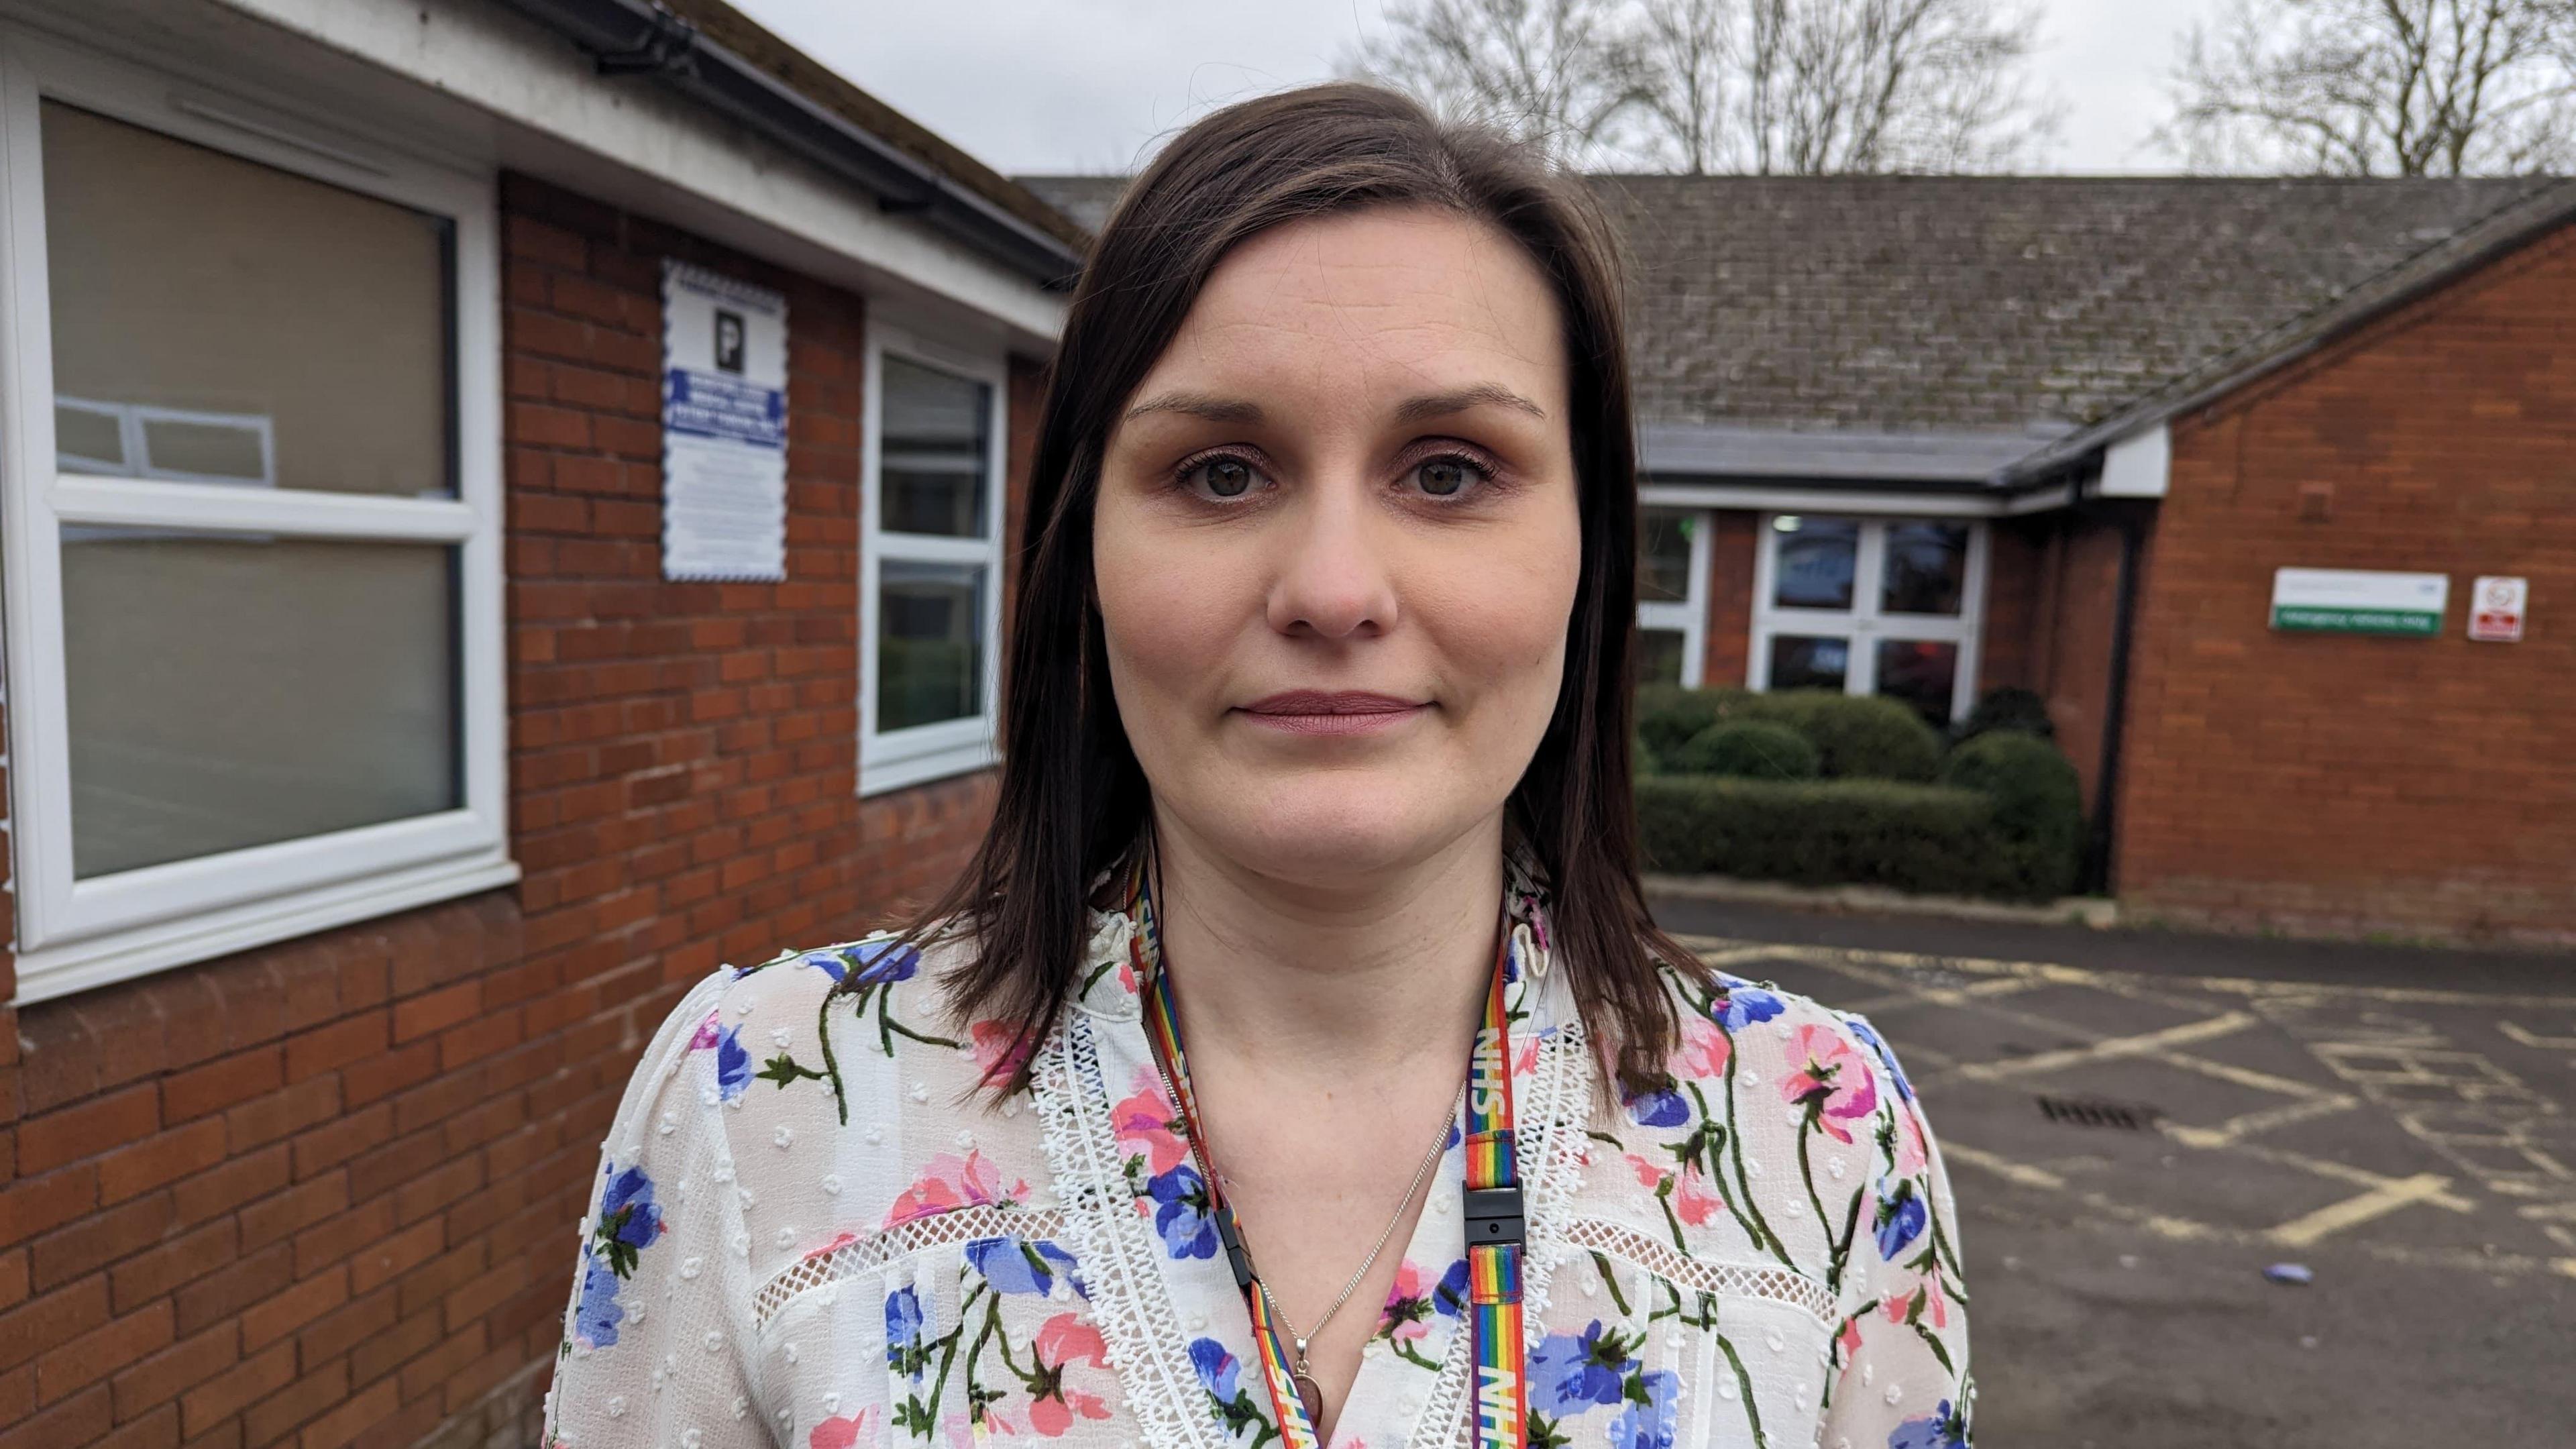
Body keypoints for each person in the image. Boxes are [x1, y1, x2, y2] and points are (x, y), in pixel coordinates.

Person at [540, 82, 1970, 1449]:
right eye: (1222, 472)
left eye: (1451, 470)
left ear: (1591, 557)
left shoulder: (1819, 1142)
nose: (1334, 590)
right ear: (1081, 556)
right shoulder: (765, 1107)